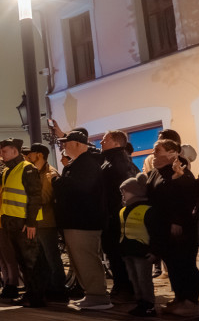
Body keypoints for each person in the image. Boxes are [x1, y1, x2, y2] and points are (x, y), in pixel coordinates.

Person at [53, 128, 111, 310]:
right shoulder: (79, 164)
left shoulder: (87, 164)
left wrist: (56, 182)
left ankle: (98, 296)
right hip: (75, 221)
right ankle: (91, 294)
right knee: (79, 259)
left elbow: (79, 189)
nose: (63, 146)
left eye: (66, 143)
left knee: (86, 258)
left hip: (83, 222)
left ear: (77, 144)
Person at [146, 139, 199, 317]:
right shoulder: (157, 171)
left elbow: (185, 198)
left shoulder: (181, 171)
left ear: (172, 153)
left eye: (158, 151)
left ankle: (190, 302)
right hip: (163, 227)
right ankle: (179, 298)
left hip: (181, 229)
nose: (154, 154)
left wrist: (177, 221)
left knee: (184, 263)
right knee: (173, 264)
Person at [0, 138, 47, 308]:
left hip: (24, 222)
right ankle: (31, 294)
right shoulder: (8, 170)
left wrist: (31, 222)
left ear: (14, 151)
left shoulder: (27, 169)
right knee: (23, 260)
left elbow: (35, 196)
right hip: (13, 221)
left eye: (4, 151)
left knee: (30, 260)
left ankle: (36, 296)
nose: (1, 155)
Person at [25, 143, 67, 301]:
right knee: (42, 258)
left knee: (51, 256)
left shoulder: (50, 173)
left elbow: (44, 197)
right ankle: (49, 286)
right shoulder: (36, 172)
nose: (28, 156)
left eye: (31, 153)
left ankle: (59, 289)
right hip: (37, 221)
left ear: (40, 155)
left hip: (47, 222)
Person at [100, 130, 138, 302]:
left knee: (118, 254)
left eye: (105, 139)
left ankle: (125, 289)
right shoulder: (110, 160)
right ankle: (121, 287)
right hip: (112, 215)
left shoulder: (119, 162)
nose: (101, 142)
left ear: (116, 143)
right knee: (114, 254)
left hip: (116, 217)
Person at [118, 175, 158, 317]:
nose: (122, 194)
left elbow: (155, 232)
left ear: (134, 191)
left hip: (142, 252)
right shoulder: (123, 210)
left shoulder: (147, 210)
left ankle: (148, 305)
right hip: (128, 251)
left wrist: (154, 252)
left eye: (125, 191)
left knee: (144, 279)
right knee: (134, 279)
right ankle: (140, 302)